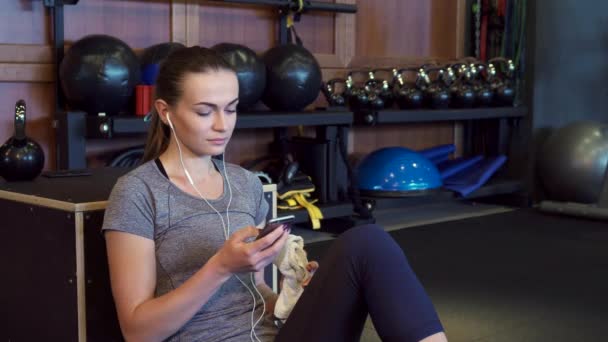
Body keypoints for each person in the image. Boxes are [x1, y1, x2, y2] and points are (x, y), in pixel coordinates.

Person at [102, 46, 448, 342]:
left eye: (232, 108)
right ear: (165, 111)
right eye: (205, 111)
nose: (223, 125)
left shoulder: (246, 185)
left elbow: (254, 294)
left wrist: (291, 297)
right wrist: (219, 268)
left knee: (367, 243)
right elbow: (137, 331)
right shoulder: (137, 191)